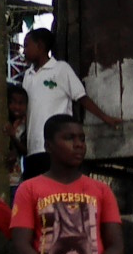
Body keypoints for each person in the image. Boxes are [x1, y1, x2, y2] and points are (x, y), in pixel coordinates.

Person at [11, 114, 124, 254]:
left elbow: (116, 246)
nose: (79, 144)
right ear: (48, 145)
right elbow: (21, 246)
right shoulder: (29, 189)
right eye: (69, 138)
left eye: (81, 138)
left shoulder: (101, 190)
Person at [22, 28, 122, 179]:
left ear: (40, 46)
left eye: (27, 45)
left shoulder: (61, 69)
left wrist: (105, 117)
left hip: (54, 148)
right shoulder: (27, 76)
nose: (24, 51)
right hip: (32, 149)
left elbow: (81, 97)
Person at [5, 84, 28, 202]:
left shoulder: (24, 124)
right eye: (13, 102)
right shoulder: (2, 120)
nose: (17, 107)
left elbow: (25, 150)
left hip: (16, 179)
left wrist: (13, 135)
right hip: (1, 178)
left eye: (21, 103)